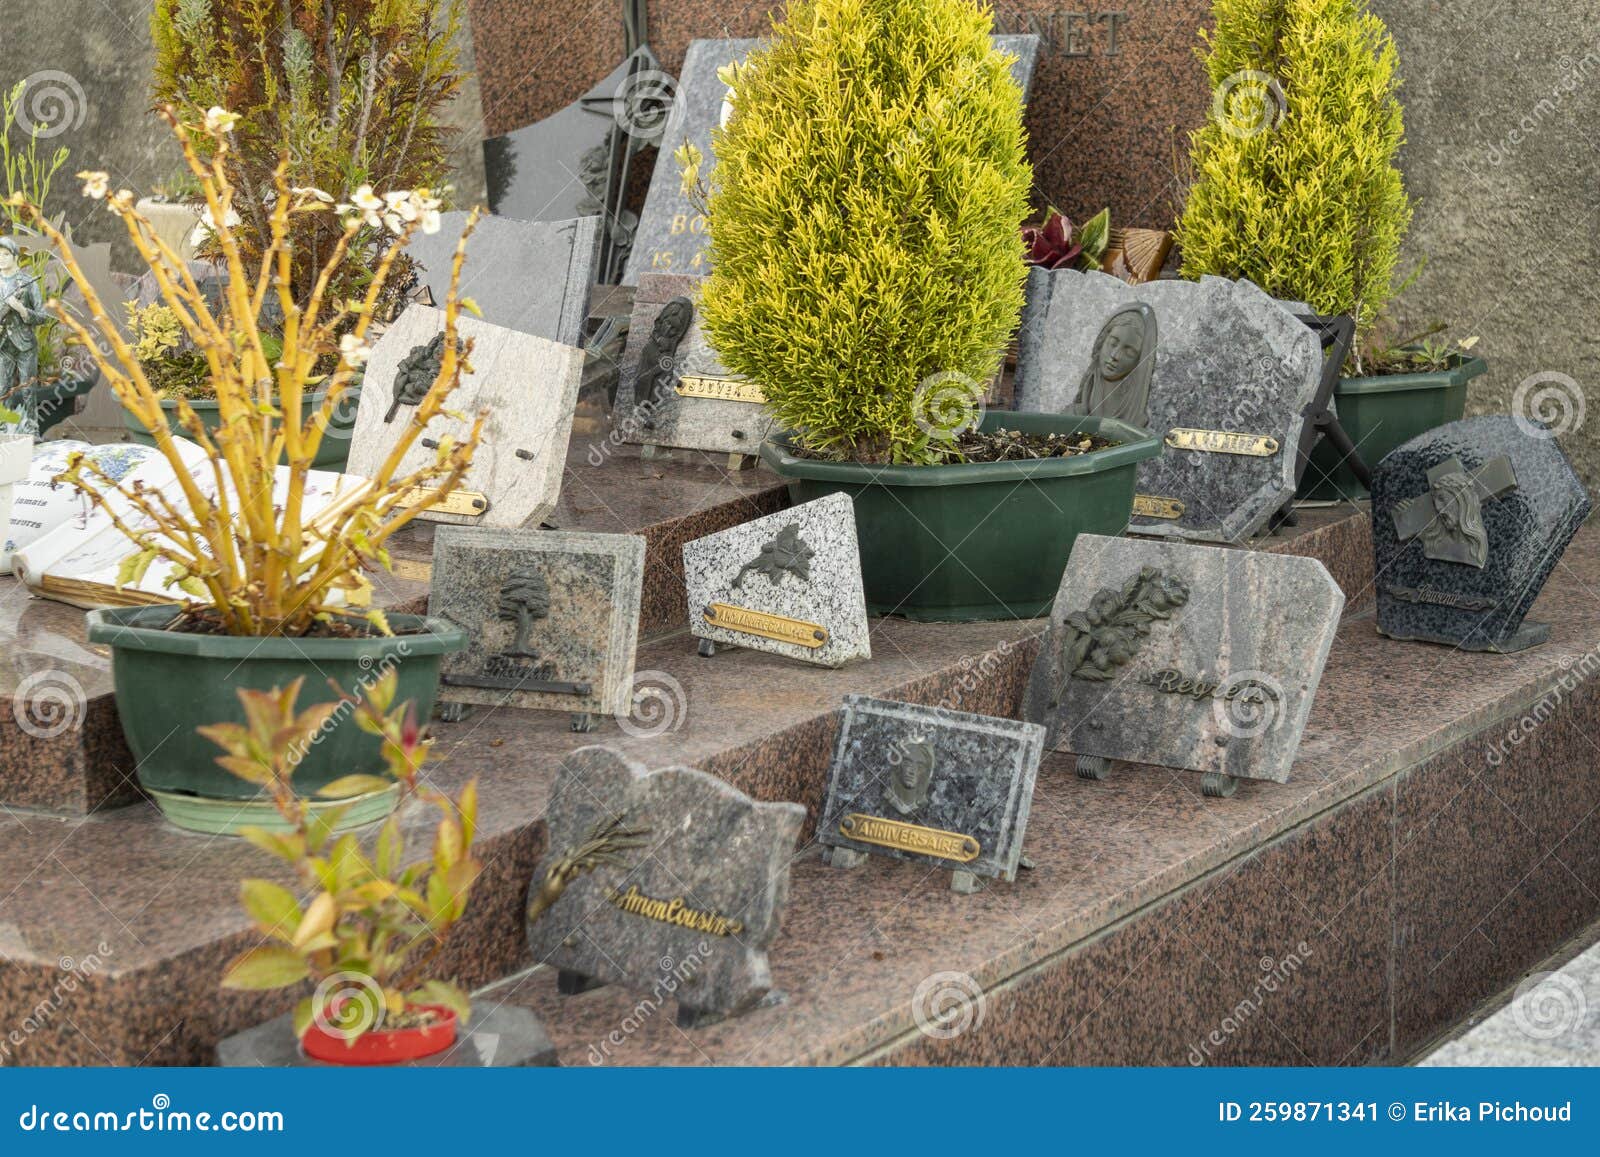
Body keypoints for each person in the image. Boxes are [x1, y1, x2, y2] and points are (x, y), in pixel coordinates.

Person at [1073, 302, 1157, 429]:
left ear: (1139, 362)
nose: (1115, 355)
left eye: (1129, 352)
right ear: (1102, 340)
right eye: (1112, 343)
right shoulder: (1074, 411)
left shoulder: (1134, 419)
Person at [0, 236, 51, 433]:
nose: (2, 259)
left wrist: (21, 310)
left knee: (28, 389)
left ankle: (31, 428)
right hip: (3, 344)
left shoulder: (27, 282)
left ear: (14, 257)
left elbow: (43, 317)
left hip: (25, 345)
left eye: (6, 254)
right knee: (2, 388)